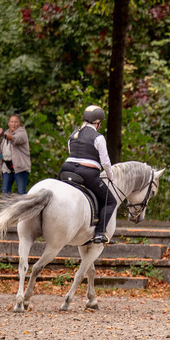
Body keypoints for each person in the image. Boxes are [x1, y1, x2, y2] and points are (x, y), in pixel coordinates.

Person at [59, 105, 116, 244]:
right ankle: (99, 233)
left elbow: (72, 153)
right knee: (110, 201)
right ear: (98, 123)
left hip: (66, 169)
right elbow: (105, 162)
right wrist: (111, 176)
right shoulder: (98, 138)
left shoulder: (73, 134)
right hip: (87, 174)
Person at [0, 113, 31, 194]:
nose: (13, 124)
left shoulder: (22, 132)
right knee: (5, 193)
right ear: (8, 123)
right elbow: (2, 149)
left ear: (19, 123)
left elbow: (15, 139)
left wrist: (3, 135)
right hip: (7, 167)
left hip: (20, 167)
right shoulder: (6, 132)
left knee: (21, 192)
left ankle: (23, 203)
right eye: (11, 122)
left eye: (16, 122)